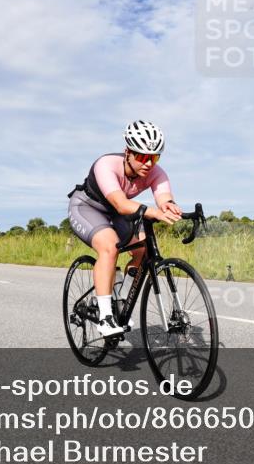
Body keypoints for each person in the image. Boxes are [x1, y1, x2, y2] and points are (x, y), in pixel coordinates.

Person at [67, 120, 182, 337]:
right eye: (142, 157)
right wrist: (154, 212)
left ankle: (120, 297)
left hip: (116, 213)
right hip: (87, 207)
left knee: (142, 251)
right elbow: (121, 204)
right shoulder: (106, 165)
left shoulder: (156, 172)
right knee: (109, 247)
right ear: (128, 152)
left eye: (154, 157)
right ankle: (105, 317)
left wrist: (169, 206)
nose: (149, 163)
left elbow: (164, 197)